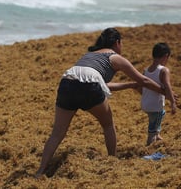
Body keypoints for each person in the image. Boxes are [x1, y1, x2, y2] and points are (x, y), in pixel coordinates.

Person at [35, 28, 168, 178]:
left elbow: (99, 83)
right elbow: (142, 80)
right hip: (89, 86)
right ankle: (112, 160)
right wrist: (165, 92)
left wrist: (129, 85)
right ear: (117, 42)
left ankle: (40, 171)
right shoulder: (115, 57)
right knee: (108, 125)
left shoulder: (89, 55)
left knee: (57, 133)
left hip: (67, 83)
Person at [140, 43, 177, 146]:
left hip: (146, 104)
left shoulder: (146, 70)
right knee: (152, 130)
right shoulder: (163, 70)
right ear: (166, 56)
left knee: (158, 118)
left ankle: (158, 136)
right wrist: (173, 102)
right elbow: (167, 86)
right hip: (155, 106)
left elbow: (140, 87)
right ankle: (149, 149)